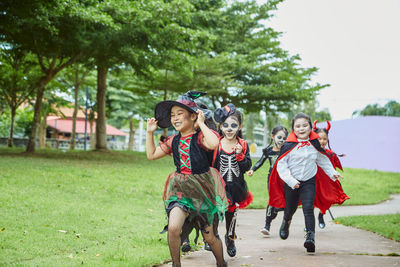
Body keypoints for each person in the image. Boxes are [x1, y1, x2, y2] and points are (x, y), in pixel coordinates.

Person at [146, 91, 228, 267]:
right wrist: (149, 133)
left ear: (192, 116)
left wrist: (201, 123)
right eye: (172, 115)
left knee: (210, 236)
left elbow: (214, 144)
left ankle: (221, 262)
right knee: (174, 228)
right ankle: (176, 264)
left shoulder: (200, 138)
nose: (175, 118)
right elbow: (151, 154)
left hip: (203, 191)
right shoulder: (173, 140)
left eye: (179, 114)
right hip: (180, 189)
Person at [268, 112, 348, 253]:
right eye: (298, 126)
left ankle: (310, 238)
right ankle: (286, 221)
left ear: (311, 127)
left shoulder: (314, 143)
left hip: (309, 181)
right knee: (290, 208)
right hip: (292, 182)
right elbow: (281, 165)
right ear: (293, 128)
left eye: (305, 125)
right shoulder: (288, 145)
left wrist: (332, 173)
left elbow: (322, 159)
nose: (302, 128)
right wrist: (291, 181)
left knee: (308, 207)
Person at [211, 103, 253, 257]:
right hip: (219, 186)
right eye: (226, 125)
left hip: (236, 186)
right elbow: (211, 165)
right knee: (215, 213)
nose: (229, 129)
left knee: (231, 215)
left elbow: (247, 166)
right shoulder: (216, 144)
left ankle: (230, 238)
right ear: (221, 127)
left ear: (239, 126)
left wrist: (241, 155)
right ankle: (212, 238)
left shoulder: (242, 144)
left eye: (233, 125)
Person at [247, 126, 288, 235]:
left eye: (284, 138)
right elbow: (260, 162)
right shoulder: (268, 151)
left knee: (286, 201)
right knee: (272, 200)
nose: (281, 140)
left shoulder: (287, 150)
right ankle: (267, 226)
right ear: (272, 136)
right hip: (272, 180)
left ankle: (281, 216)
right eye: (279, 137)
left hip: (285, 179)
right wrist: (252, 170)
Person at [313, 120, 348, 229]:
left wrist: (335, 176)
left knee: (327, 199)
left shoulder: (331, 154)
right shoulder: (311, 152)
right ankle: (309, 223)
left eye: (324, 139)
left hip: (327, 181)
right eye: (319, 138)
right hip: (314, 180)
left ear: (327, 140)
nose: (322, 141)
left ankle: (321, 215)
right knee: (310, 200)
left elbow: (332, 167)